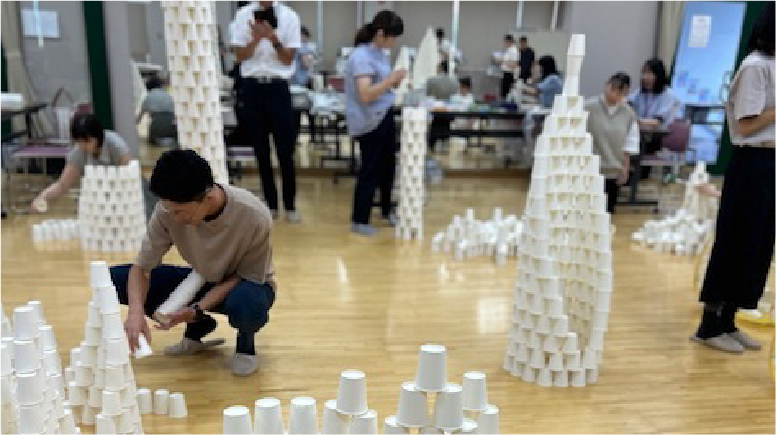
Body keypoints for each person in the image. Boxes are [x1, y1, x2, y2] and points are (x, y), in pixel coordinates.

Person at [115, 149, 276, 376]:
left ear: (207, 198)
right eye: (170, 210)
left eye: (180, 212)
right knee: (116, 279)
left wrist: (197, 309)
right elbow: (141, 269)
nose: (175, 218)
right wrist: (135, 312)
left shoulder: (254, 216)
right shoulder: (167, 211)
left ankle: (245, 343)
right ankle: (199, 327)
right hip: (202, 278)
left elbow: (244, 275)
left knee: (246, 304)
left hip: (246, 283)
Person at [692, 1, 776, 354]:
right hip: (752, 162)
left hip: (770, 163)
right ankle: (709, 325)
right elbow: (746, 124)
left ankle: (728, 320)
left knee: (757, 243)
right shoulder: (756, 66)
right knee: (736, 239)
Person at [231, 0, 302, 223]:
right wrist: (255, 39)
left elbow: (288, 59)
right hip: (251, 87)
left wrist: (273, 39)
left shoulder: (290, 16)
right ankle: (271, 204)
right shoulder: (243, 15)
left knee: (285, 150)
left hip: (278, 88)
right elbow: (239, 56)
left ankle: (290, 205)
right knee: (261, 150)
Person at [345, 10, 406, 235]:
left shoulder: (381, 53)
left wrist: (393, 82)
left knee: (388, 166)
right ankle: (359, 219)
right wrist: (390, 80)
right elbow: (365, 95)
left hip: (383, 115)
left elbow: (381, 85)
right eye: (393, 37)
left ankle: (385, 210)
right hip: (369, 120)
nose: (394, 42)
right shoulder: (361, 57)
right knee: (370, 169)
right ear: (380, 34)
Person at [32, 114, 133, 212]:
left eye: (87, 141)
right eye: (79, 141)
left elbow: (129, 179)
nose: (82, 145)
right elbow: (62, 185)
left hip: (120, 198)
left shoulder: (116, 146)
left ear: (98, 137)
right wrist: (42, 197)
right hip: (95, 201)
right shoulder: (79, 152)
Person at [585, 72, 639, 214]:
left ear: (626, 93)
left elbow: (629, 144)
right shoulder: (588, 107)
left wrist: (625, 168)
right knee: (587, 211)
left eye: (620, 92)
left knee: (607, 213)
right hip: (589, 170)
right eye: (612, 88)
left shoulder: (629, 113)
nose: (614, 94)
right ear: (606, 85)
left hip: (613, 170)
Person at [136, 75, 177, 147]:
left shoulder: (148, 97)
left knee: (151, 142)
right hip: (171, 127)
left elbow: (139, 118)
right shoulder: (168, 96)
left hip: (156, 128)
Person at [500, 34, 519, 99]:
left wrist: (503, 61)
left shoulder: (514, 50)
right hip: (506, 73)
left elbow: (514, 64)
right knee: (503, 92)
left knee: (506, 93)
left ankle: (506, 103)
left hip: (509, 74)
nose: (504, 43)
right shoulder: (509, 49)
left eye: (505, 41)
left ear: (509, 41)